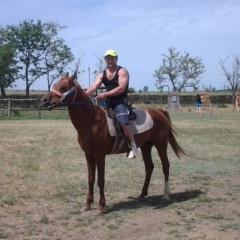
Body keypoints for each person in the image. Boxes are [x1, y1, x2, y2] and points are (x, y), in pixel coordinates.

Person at [86, 49, 137, 158]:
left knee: (123, 122)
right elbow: (94, 87)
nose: (110, 61)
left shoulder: (122, 71)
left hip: (119, 103)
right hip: (107, 103)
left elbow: (121, 88)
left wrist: (105, 94)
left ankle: (133, 146)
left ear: (116, 59)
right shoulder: (102, 74)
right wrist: (85, 96)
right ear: (105, 60)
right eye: (108, 59)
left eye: (112, 58)